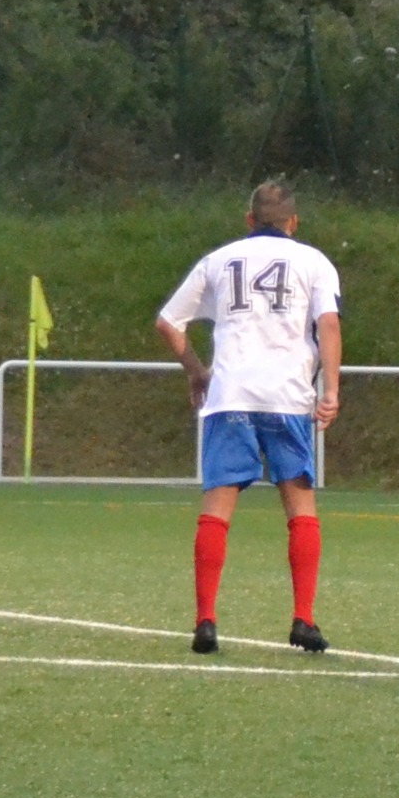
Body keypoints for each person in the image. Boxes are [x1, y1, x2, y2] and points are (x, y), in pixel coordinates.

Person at [155, 180, 343, 651]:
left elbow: (168, 323)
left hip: (231, 394)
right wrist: (332, 390)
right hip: (287, 396)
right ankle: (303, 619)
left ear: (249, 220)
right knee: (300, 505)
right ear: (293, 222)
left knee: (217, 508)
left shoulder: (219, 260)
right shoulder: (314, 262)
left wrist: (197, 372)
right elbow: (328, 324)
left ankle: (205, 620)